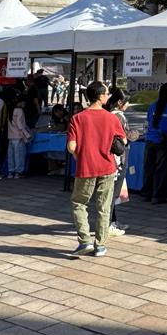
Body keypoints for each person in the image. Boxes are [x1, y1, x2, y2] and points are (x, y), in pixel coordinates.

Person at [66, 81, 125, 258]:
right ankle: (100, 245)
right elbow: (123, 142)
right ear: (99, 96)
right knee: (104, 206)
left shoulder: (77, 118)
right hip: (107, 167)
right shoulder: (111, 118)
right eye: (106, 93)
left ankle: (84, 240)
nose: (108, 96)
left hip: (86, 167)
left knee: (79, 203)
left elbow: (71, 146)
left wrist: (80, 153)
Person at [106, 89, 137, 235]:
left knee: (113, 191)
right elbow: (122, 137)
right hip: (118, 157)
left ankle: (112, 220)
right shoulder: (117, 116)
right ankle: (108, 224)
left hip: (114, 157)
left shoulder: (110, 115)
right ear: (120, 102)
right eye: (127, 101)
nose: (128, 104)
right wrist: (133, 135)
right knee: (113, 191)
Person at [6, 90, 32, 179]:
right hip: (19, 136)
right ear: (21, 102)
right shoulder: (19, 111)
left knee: (11, 155)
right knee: (19, 155)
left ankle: (11, 172)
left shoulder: (10, 109)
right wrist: (27, 135)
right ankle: (18, 172)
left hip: (11, 136)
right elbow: (20, 125)